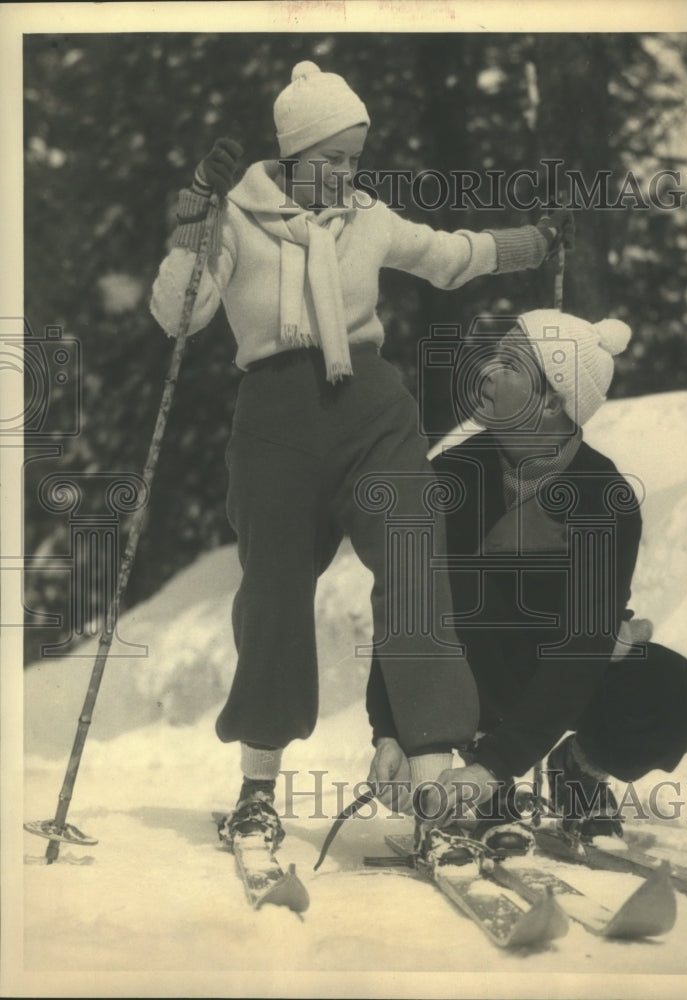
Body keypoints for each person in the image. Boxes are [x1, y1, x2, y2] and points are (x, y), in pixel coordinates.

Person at [149, 61, 572, 854]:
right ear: (294, 151)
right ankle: (257, 789)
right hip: (275, 422)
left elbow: (450, 255)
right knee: (274, 594)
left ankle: (434, 788)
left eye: (355, 157)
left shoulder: (366, 216)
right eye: (333, 158)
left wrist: (532, 242)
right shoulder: (234, 218)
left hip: (373, 410)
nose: (346, 173)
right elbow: (181, 315)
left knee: (415, 569)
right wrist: (192, 225)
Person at [367, 310, 687, 848]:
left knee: (679, 694)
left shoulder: (607, 498)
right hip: (473, 678)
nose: (486, 371)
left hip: (561, 670)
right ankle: (482, 782)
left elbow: (584, 647)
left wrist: (497, 764)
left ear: (552, 401)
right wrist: (389, 730)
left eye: (510, 364)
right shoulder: (450, 477)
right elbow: (405, 608)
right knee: (456, 589)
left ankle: (577, 767)